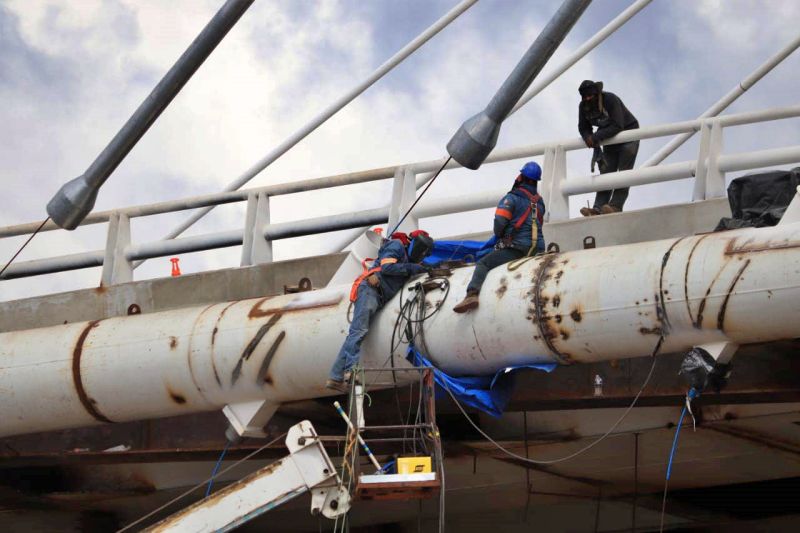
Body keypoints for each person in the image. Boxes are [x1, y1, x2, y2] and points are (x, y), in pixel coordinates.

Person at [327, 229, 435, 391]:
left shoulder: (406, 258)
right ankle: (350, 371)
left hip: (378, 295)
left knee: (358, 332)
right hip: (370, 291)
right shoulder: (396, 246)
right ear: (412, 243)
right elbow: (387, 268)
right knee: (359, 331)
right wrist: (412, 268)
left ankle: (335, 377)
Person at [453, 161, 546, 313]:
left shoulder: (511, 198)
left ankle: (472, 294)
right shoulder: (540, 202)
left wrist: (502, 236)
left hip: (517, 248)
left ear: (521, 177)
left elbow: (500, 223)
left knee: (483, 263)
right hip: (538, 248)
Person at [578, 80, 639, 216]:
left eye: (590, 96)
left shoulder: (610, 99)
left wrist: (595, 137)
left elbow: (618, 125)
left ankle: (615, 206)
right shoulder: (583, 106)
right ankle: (598, 209)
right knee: (606, 172)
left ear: (597, 93)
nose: (588, 99)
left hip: (628, 134)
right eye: (585, 97)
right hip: (608, 138)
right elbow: (583, 127)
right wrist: (587, 136)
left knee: (624, 173)